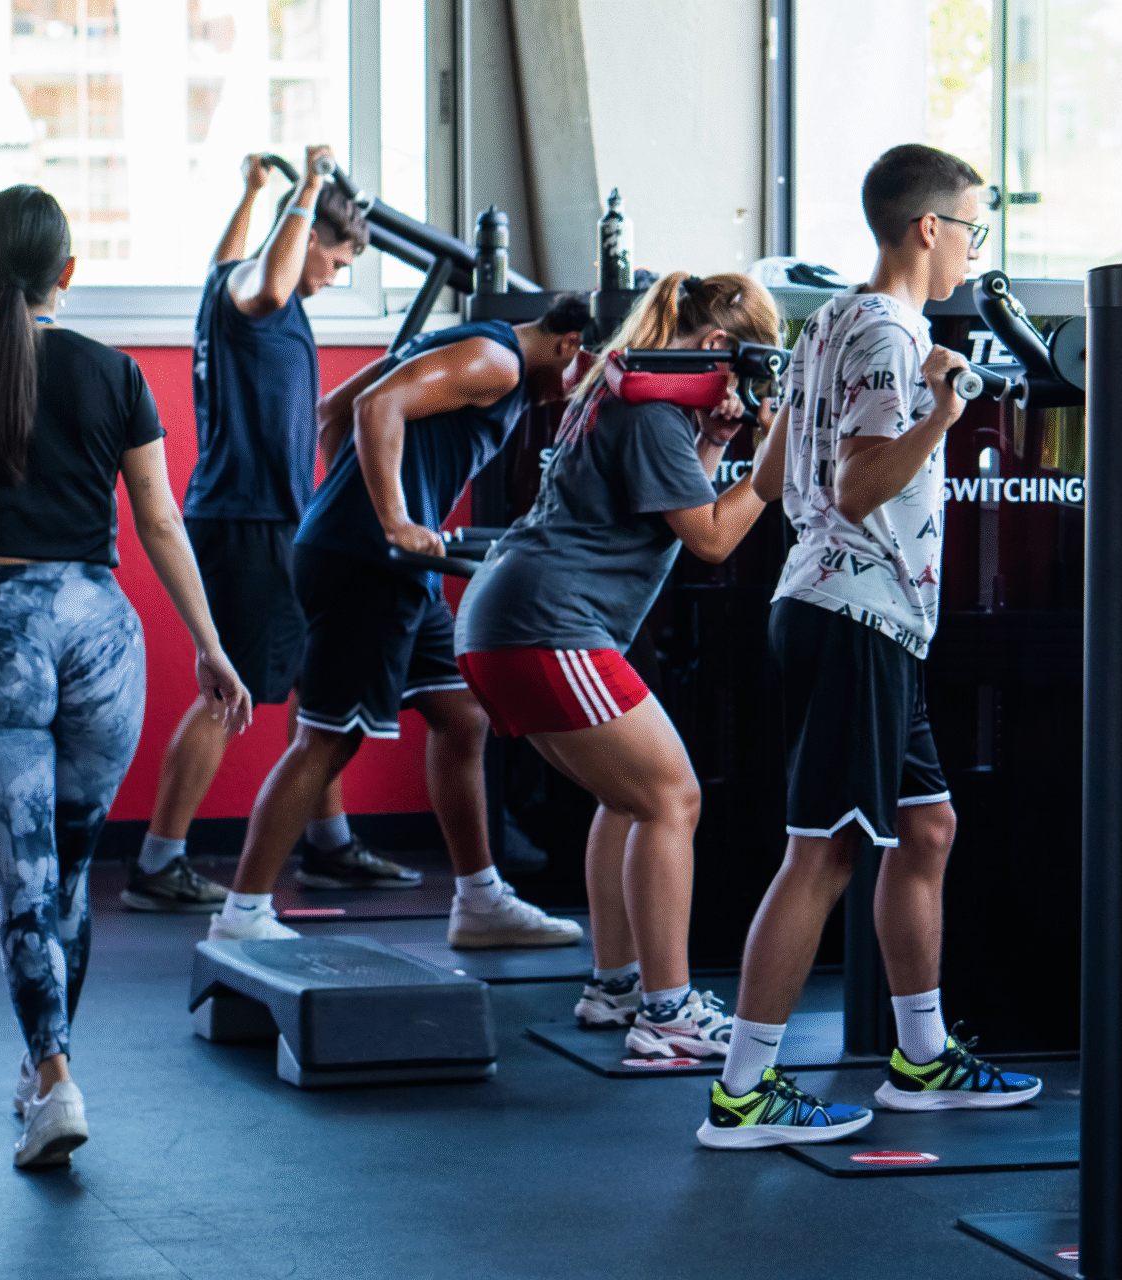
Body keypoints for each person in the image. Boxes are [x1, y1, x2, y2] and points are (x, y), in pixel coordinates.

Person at [0, 186, 254, 1168]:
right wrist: (209, 642)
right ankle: (49, 1069)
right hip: (101, 634)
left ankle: (51, 1075)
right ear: (67, 275)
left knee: (25, 887)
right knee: (70, 879)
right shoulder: (116, 372)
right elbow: (160, 522)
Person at [698, 144, 1041, 1150]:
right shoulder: (891, 337)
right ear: (927, 227)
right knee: (830, 847)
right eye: (972, 229)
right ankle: (743, 1091)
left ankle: (922, 1057)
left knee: (924, 828)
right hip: (852, 612)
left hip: (861, 610)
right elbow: (852, 485)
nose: (975, 250)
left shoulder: (833, 320)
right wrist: (944, 412)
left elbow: (773, 468)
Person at [455, 271, 781, 1058]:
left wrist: (719, 440)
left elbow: (678, 503)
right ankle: (668, 1013)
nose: (751, 385)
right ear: (715, 349)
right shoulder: (650, 411)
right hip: (549, 625)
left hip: (512, 620)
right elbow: (709, 538)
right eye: (750, 366)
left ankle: (616, 986)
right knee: (674, 798)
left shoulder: (633, 396)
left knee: (631, 799)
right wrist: (777, 456)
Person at [205, 290, 590, 950]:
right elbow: (376, 407)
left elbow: (335, 413)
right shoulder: (495, 362)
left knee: (459, 716)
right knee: (329, 740)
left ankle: (480, 901)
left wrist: (356, 508)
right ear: (568, 346)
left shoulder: (473, 344)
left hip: (389, 564)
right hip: (372, 563)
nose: (582, 394)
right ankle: (242, 912)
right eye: (590, 374)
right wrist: (390, 520)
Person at [125, 144, 408, 914]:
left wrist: (250, 192)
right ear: (310, 234)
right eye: (339, 259)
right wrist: (309, 184)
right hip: (250, 520)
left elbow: (231, 258)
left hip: (262, 518)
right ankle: (158, 862)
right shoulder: (263, 296)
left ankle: (328, 840)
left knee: (314, 682)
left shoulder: (231, 281)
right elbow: (268, 276)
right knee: (231, 690)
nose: (336, 275)